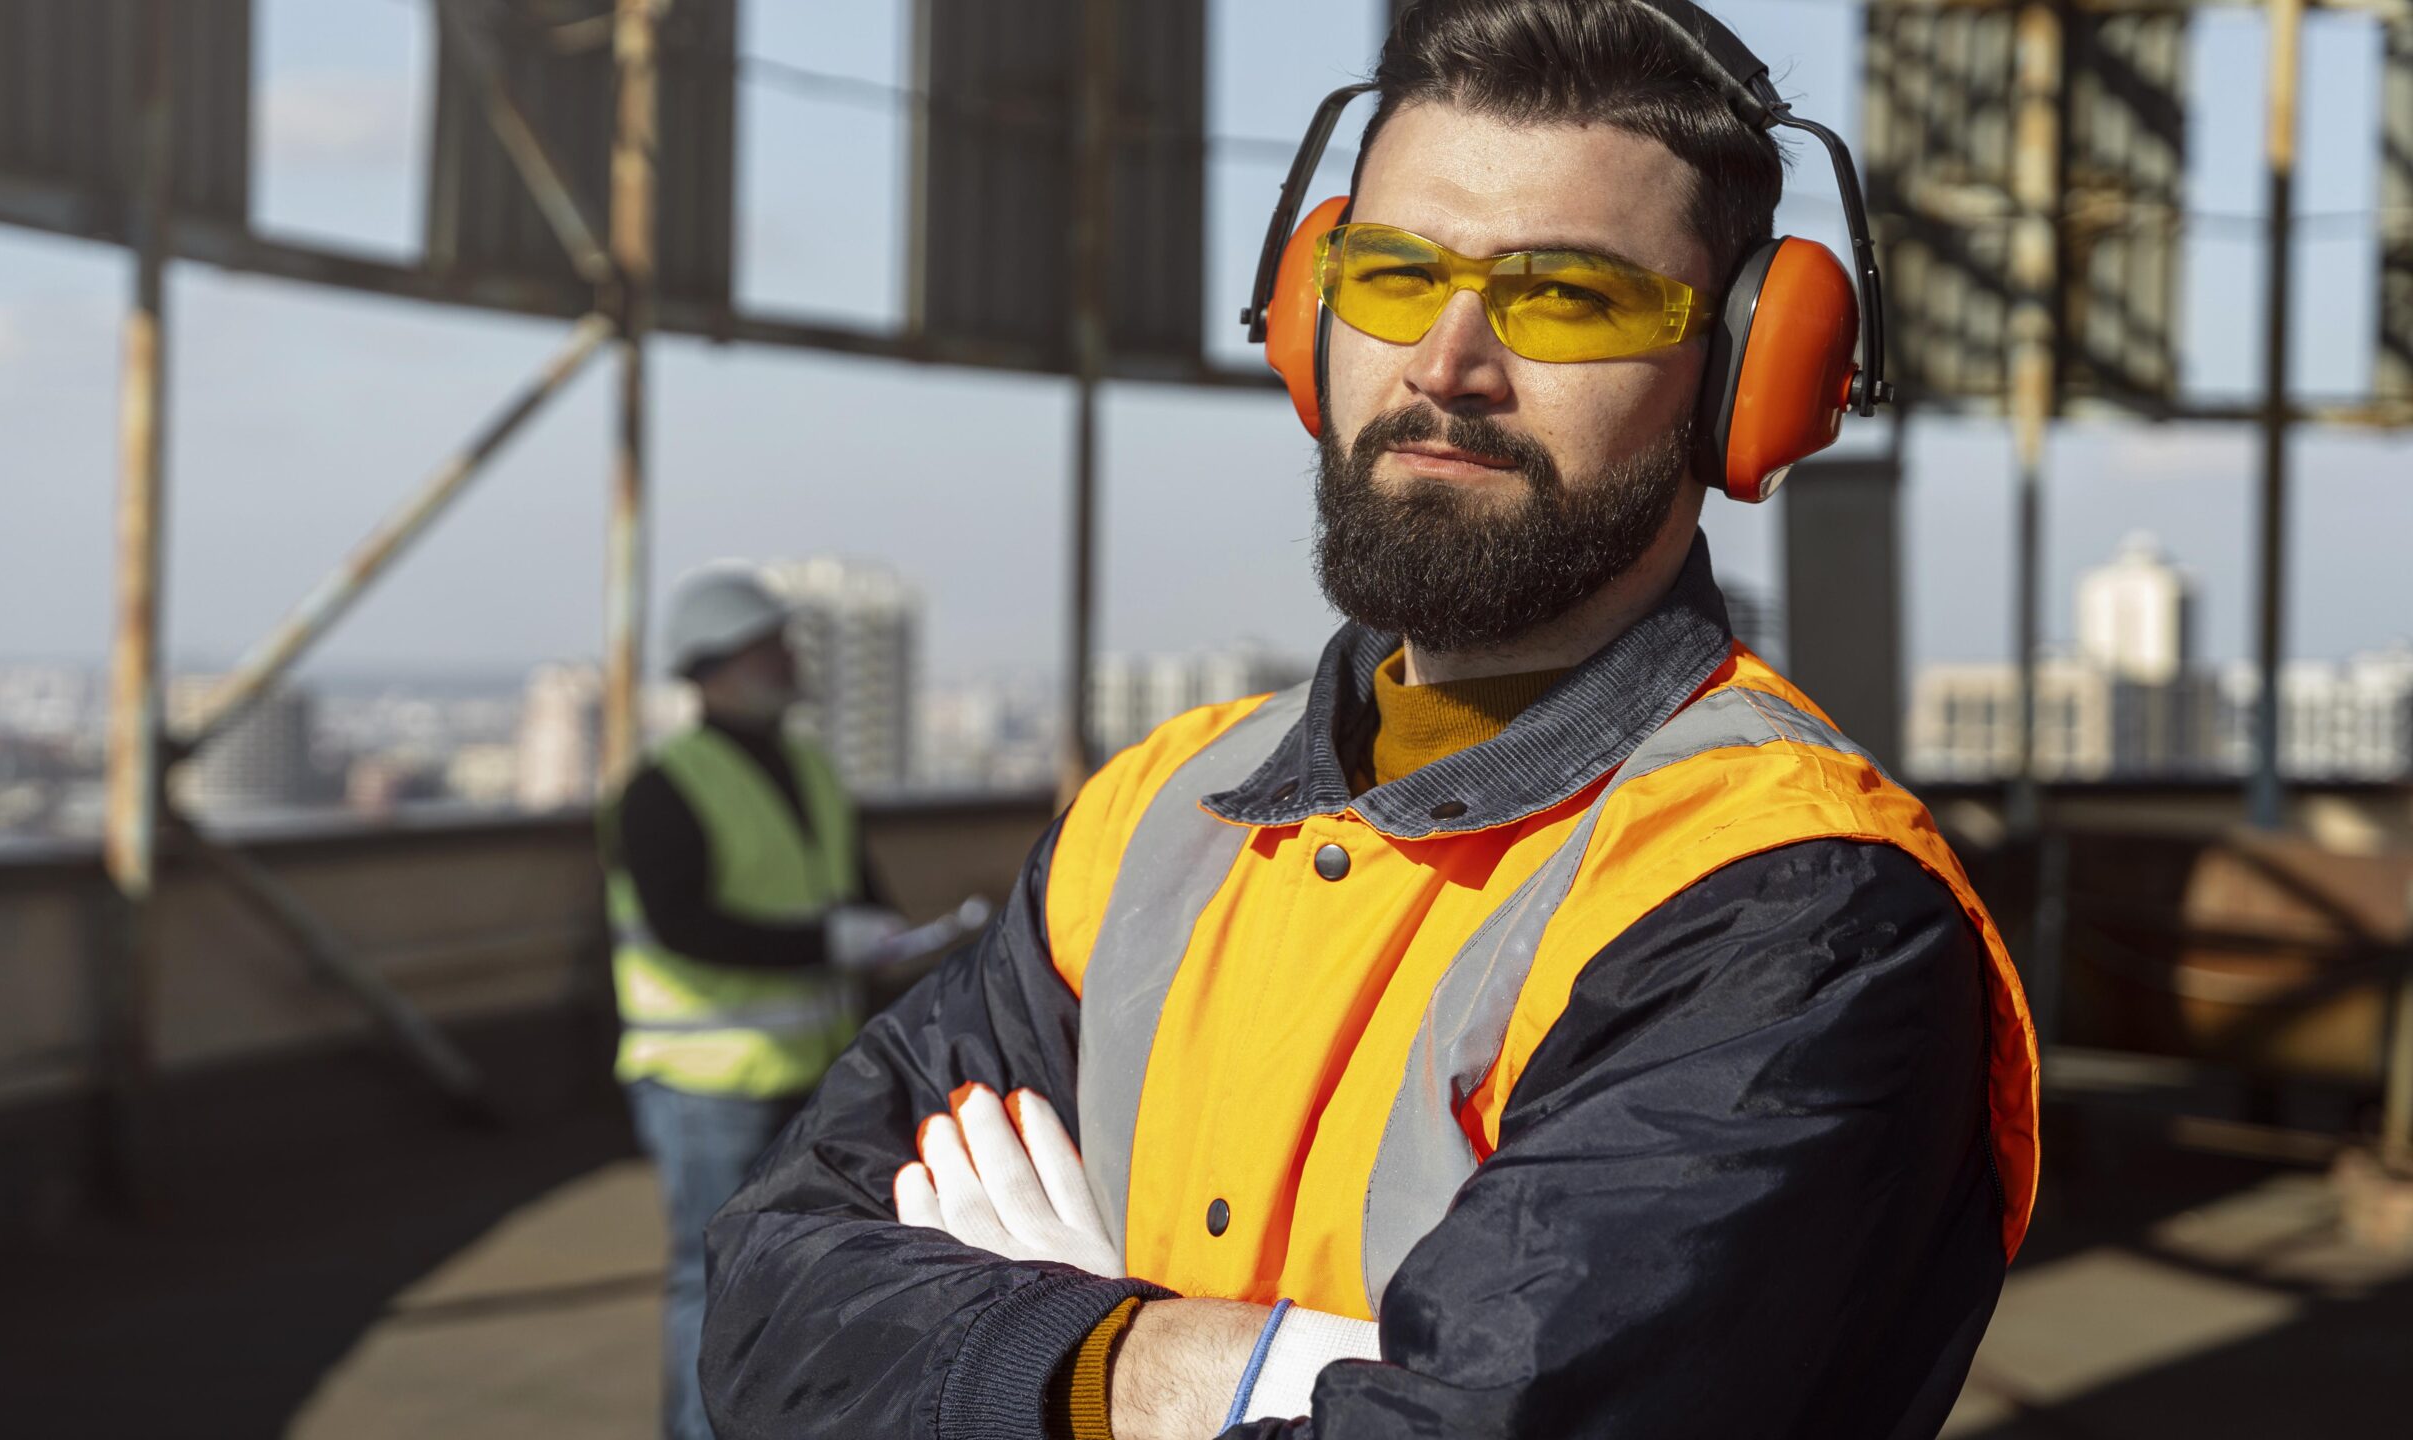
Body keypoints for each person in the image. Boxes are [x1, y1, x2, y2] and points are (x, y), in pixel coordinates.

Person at [696, 3, 2040, 1437]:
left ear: (1743, 384)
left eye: (1569, 297)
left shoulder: (1793, 910)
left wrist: (1035, 1356)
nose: (1445, 362)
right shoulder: (1150, 818)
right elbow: (771, 1300)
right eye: (1393, 275)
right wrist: (1174, 1374)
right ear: (1305, 316)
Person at [600, 562, 900, 1440]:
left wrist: (880, 938)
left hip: (809, 1066)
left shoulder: (807, 768)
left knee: (797, 1271)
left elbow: (853, 891)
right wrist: (831, 941)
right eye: (766, 646)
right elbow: (682, 929)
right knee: (709, 1276)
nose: (786, 658)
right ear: (713, 666)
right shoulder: (662, 786)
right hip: (705, 1084)